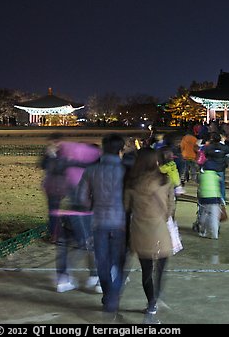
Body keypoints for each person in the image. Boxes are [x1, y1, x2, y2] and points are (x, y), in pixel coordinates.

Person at [123, 148, 178, 323]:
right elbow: (170, 208)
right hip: (160, 228)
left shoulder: (132, 183)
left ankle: (151, 303)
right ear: (156, 162)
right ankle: (157, 295)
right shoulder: (165, 180)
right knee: (160, 269)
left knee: (146, 270)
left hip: (140, 229)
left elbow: (126, 207)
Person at [77, 133, 127, 316]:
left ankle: (108, 296)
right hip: (120, 222)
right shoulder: (125, 170)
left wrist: (93, 204)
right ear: (120, 151)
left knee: (102, 261)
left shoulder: (91, 170)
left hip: (99, 221)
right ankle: (113, 294)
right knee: (119, 263)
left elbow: (82, 197)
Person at [55, 141, 102, 294]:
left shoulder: (67, 166)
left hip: (65, 211)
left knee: (65, 244)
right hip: (84, 212)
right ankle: (95, 277)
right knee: (88, 243)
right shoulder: (90, 170)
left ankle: (64, 278)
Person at [39, 133, 67, 242]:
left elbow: (60, 169)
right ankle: (56, 233)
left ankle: (55, 235)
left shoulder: (63, 154)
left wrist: (52, 156)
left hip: (58, 186)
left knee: (54, 210)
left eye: (54, 141)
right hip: (52, 185)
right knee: (54, 209)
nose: (51, 144)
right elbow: (42, 166)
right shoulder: (48, 152)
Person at [202, 132, 229, 205]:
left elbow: (205, 155)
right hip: (220, 168)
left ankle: (212, 198)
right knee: (221, 185)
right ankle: (222, 199)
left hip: (211, 168)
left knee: (211, 185)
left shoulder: (208, 147)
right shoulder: (224, 147)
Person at [194, 169, 223, 239]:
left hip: (204, 198)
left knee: (204, 214)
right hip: (215, 198)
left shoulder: (201, 175)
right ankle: (215, 234)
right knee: (214, 218)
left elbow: (197, 181)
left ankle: (203, 231)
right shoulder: (215, 175)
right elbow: (220, 180)